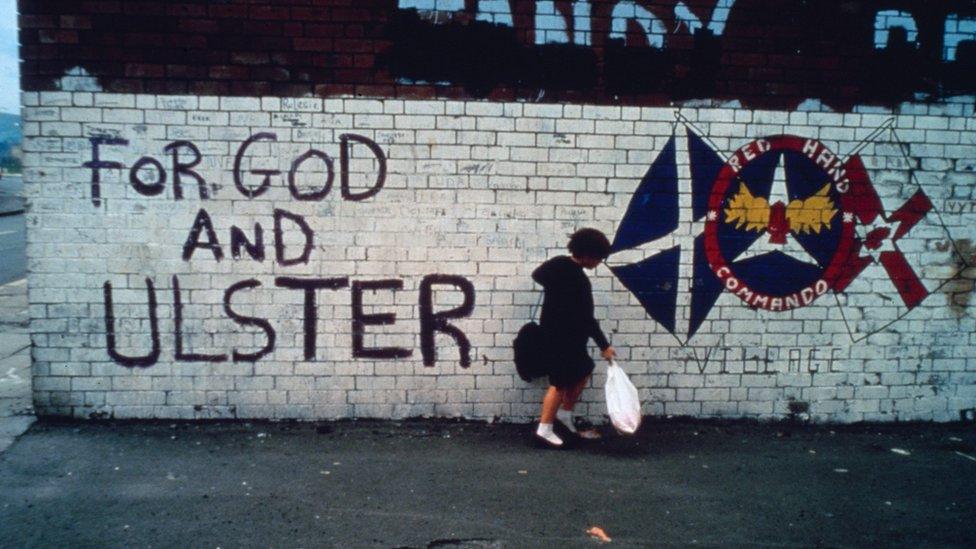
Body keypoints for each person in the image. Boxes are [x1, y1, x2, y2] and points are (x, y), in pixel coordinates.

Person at [531, 228, 616, 447]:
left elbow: (537, 275)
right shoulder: (578, 280)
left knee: (584, 368)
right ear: (587, 254)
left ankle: (564, 413)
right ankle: (544, 429)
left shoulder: (558, 265)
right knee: (559, 382)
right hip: (563, 337)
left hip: (558, 333)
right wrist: (604, 345)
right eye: (598, 258)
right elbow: (588, 318)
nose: (598, 263)